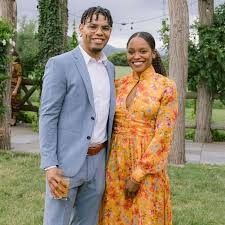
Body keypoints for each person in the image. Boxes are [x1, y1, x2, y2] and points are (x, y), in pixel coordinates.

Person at [39, 6, 115, 225]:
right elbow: (48, 116)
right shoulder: (60, 64)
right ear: (81, 28)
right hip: (65, 162)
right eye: (93, 26)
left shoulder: (109, 68)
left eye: (105, 28)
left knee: (87, 221)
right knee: (57, 221)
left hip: (98, 161)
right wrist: (50, 164)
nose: (99, 32)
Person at [99, 32, 178, 225]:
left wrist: (138, 175)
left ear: (153, 54)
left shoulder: (166, 86)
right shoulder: (119, 84)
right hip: (115, 164)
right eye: (131, 51)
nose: (136, 56)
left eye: (143, 51)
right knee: (115, 215)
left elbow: (163, 136)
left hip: (147, 167)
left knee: (145, 217)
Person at [10, 49, 22, 126]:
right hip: (8, 87)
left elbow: (20, 78)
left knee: (15, 103)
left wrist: (16, 89)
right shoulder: (9, 64)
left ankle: (14, 120)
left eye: (12, 55)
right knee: (9, 103)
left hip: (14, 86)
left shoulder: (18, 65)